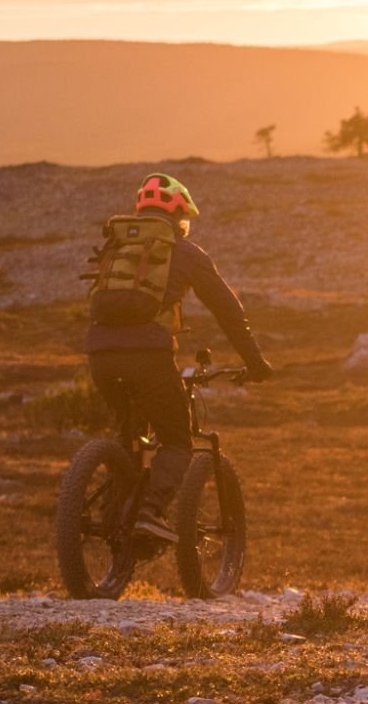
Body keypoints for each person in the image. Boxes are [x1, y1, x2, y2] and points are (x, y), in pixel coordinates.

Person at [84, 174, 272, 541]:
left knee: (129, 436)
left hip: (100, 355)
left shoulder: (117, 247)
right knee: (176, 441)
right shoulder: (185, 252)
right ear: (180, 216)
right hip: (150, 356)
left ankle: (115, 519)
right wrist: (256, 363)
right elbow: (228, 310)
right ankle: (149, 513)